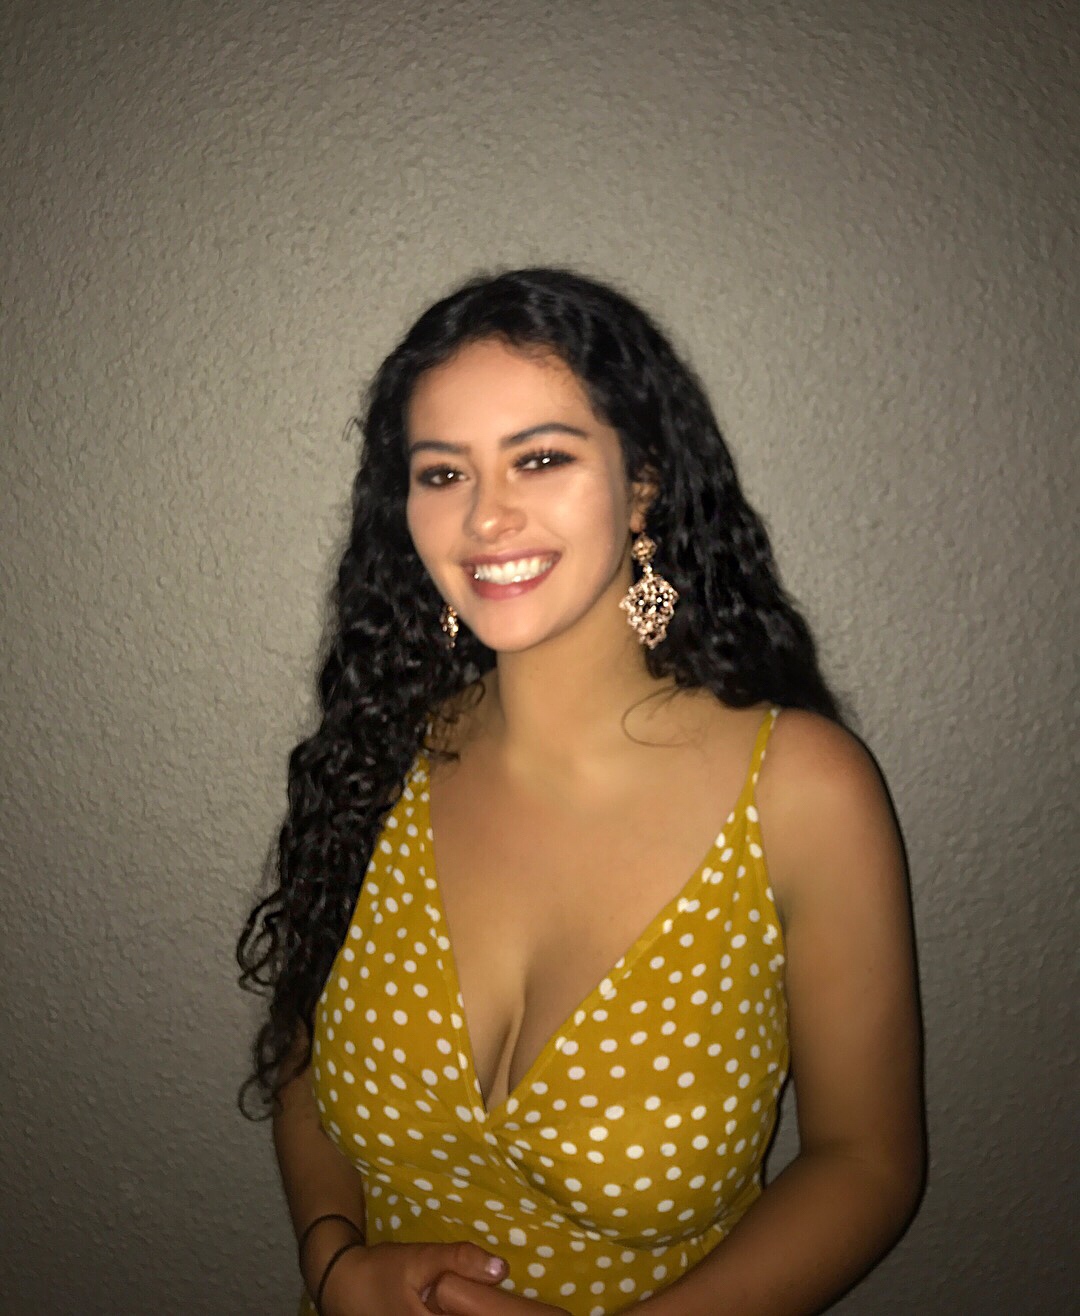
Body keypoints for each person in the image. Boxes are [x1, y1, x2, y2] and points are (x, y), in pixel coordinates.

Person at [237, 267, 925, 1316]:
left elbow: (866, 1162)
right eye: (442, 473)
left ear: (642, 480)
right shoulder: (380, 754)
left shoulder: (801, 790)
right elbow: (302, 1054)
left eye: (542, 457)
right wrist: (333, 1262)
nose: (486, 516)